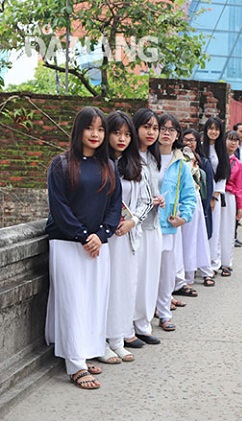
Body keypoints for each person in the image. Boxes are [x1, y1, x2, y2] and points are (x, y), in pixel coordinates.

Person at [44, 106, 121, 389]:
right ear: (79, 130)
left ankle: (85, 351)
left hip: (98, 245)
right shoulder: (61, 164)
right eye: (90, 128)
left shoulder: (109, 166)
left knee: (93, 302)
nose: (96, 134)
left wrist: (101, 235)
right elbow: (59, 207)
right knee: (72, 301)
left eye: (101, 129)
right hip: (67, 244)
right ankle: (75, 365)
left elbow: (115, 207)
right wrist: (83, 236)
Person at [100, 111, 153, 364]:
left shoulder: (137, 166)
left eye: (126, 134)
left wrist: (132, 222)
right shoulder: (99, 165)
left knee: (124, 287)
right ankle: (101, 340)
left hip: (128, 236)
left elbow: (146, 201)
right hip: (106, 237)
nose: (122, 139)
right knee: (105, 288)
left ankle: (118, 338)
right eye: (116, 133)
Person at [127, 108, 165, 348]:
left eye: (155, 128)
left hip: (154, 225)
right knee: (134, 277)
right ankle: (128, 325)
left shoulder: (153, 158)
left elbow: (153, 190)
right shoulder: (128, 159)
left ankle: (143, 324)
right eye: (146, 127)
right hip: (134, 228)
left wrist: (159, 198)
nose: (151, 132)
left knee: (150, 277)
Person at [156, 113, 197, 332]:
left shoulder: (180, 163)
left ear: (177, 135)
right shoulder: (144, 158)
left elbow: (189, 196)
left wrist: (184, 217)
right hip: (142, 226)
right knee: (144, 274)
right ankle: (140, 317)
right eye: (162, 128)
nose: (166, 133)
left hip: (167, 226)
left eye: (171, 130)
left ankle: (164, 313)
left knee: (165, 273)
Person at [181, 129, 216, 287]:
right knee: (186, 241)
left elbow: (208, 184)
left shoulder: (203, 161)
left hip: (197, 203)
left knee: (199, 238)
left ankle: (205, 271)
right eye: (186, 140)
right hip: (182, 204)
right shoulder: (178, 159)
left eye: (192, 140)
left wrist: (209, 202)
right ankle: (187, 274)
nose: (189, 143)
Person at [203, 116, 230, 275]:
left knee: (215, 230)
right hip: (201, 196)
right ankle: (203, 262)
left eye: (216, 129)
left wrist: (214, 196)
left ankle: (214, 263)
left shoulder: (222, 152)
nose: (213, 132)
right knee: (202, 230)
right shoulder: (201, 148)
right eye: (210, 128)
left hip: (214, 197)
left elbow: (223, 175)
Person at [219, 130, 242, 277]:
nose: (233, 143)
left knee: (228, 230)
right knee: (215, 229)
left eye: (236, 140)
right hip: (217, 195)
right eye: (230, 139)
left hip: (229, 197)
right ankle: (213, 261)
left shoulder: (238, 164)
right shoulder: (217, 159)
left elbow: (239, 186)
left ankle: (226, 262)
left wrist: (240, 206)